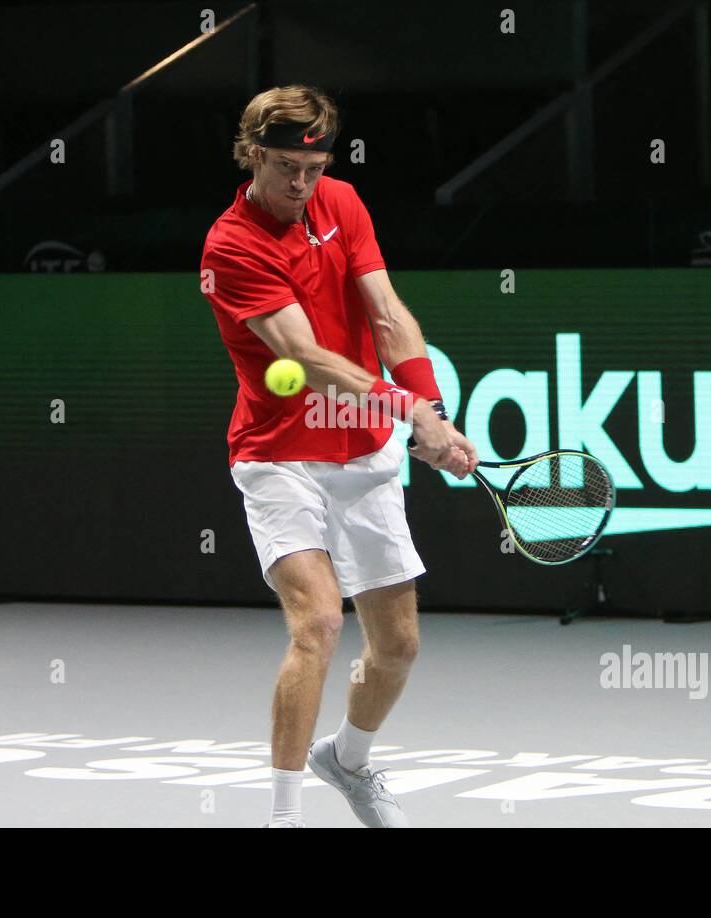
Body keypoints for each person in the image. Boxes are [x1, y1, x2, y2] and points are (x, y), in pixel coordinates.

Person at [200, 84, 478, 827]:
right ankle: (284, 816)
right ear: (254, 152)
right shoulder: (231, 246)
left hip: (363, 456)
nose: (301, 185)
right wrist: (405, 407)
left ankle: (346, 762)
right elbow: (305, 355)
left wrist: (436, 416)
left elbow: (388, 316)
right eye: (287, 167)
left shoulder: (343, 203)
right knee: (319, 624)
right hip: (279, 455)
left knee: (399, 647)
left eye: (314, 169)